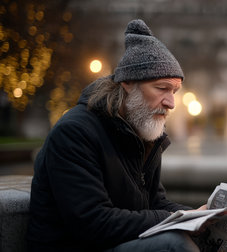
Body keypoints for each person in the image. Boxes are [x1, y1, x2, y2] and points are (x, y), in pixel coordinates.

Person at [27, 19, 205, 252]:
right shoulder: (75, 133)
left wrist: (200, 216)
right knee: (173, 245)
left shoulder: (144, 132)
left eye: (174, 91)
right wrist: (177, 219)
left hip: (116, 242)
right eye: (162, 88)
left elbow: (154, 202)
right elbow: (92, 223)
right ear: (128, 83)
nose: (171, 103)